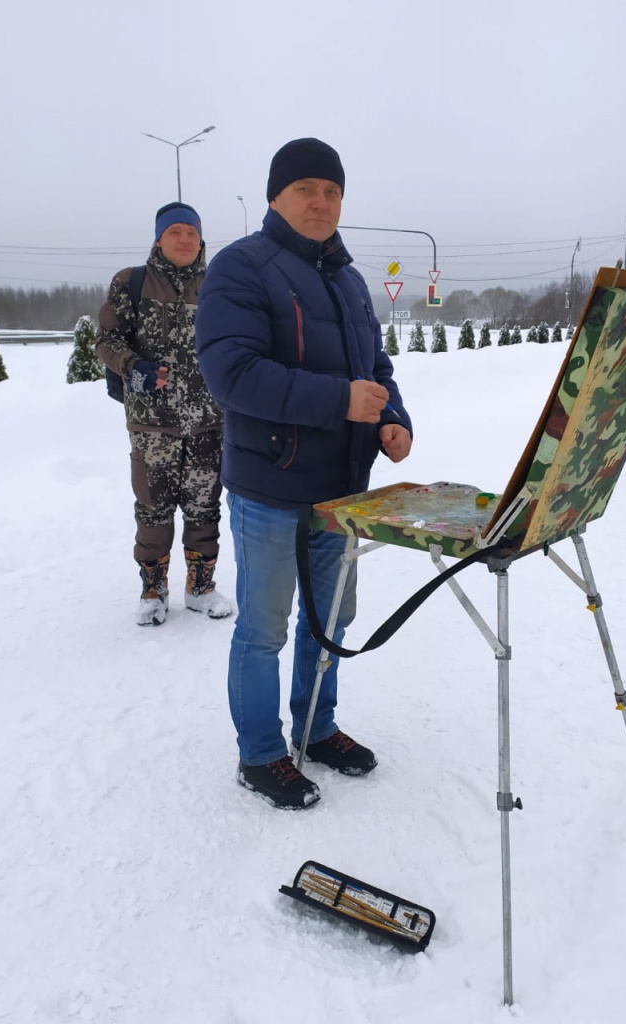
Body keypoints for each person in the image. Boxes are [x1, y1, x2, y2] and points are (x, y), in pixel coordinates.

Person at [196, 138, 413, 809]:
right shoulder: (240, 268)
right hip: (271, 487)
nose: (321, 202)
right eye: (305, 189)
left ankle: (316, 729)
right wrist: (337, 402)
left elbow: (374, 369)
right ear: (275, 197)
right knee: (263, 629)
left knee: (330, 621)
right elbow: (231, 374)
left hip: (341, 489)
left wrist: (390, 418)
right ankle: (260, 754)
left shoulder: (347, 279)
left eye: (332, 191)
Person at [96, 202, 232, 626]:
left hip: (210, 421)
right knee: (152, 509)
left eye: (192, 233)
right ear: (159, 238)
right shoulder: (131, 283)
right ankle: (153, 589)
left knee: (205, 507)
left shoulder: (219, 285)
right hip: (152, 424)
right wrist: (132, 366)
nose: (185, 240)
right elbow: (105, 340)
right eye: (175, 232)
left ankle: (201, 586)